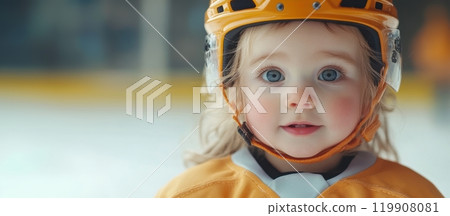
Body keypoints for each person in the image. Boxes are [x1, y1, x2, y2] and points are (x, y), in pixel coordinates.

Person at [156, 0, 443, 197]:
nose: (300, 100)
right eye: (272, 75)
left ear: (374, 87)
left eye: (329, 74)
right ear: (232, 90)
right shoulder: (188, 199)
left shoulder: (412, 198)